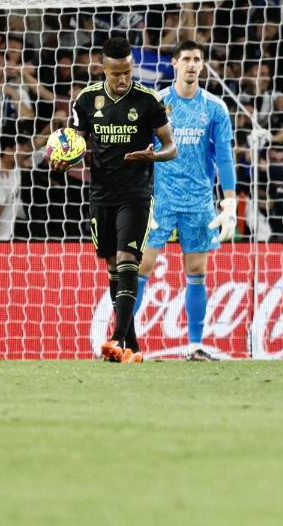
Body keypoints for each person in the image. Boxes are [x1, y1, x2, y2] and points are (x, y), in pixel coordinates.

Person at [60, 36, 176, 363]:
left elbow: (171, 146)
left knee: (127, 260)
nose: (123, 78)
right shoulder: (86, 100)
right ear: (103, 69)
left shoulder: (148, 100)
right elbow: (75, 144)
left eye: (127, 71)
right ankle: (132, 347)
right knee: (113, 265)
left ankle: (116, 338)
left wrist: (153, 156)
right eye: (116, 73)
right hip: (101, 195)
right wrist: (63, 159)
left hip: (136, 194)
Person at [137, 41, 235, 361]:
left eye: (197, 59)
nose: (192, 64)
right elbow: (142, 152)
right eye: (187, 59)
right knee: (141, 265)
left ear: (202, 65)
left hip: (198, 201)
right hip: (161, 200)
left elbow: (224, 157)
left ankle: (194, 346)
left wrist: (230, 203)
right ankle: (122, 340)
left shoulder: (215, 108)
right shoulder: (157, 103)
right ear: (175, 63)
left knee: (197, 271)